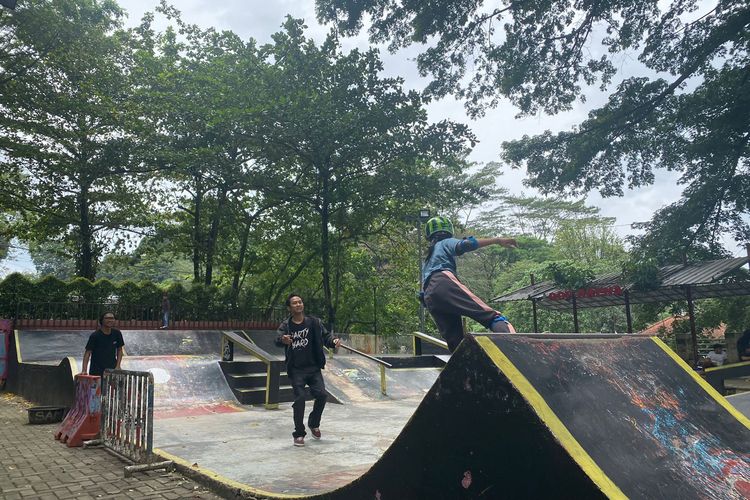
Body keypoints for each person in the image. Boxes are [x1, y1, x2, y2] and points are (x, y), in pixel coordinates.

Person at [421, 216, 517, 353]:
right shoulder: (445, 243)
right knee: (492, 317)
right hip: (443, 282)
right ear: (449, 231)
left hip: (430, 298)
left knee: (457, 343)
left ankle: (466, 371)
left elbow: (423, 293)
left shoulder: (428, 259)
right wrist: (497, 240)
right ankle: (515, 348)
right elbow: (466, 245)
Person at [275, 294, 341, 447]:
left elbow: (326, 337)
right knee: (299, 400)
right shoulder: (286, 326)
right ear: (289, 308)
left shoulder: (314, 322)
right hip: (296, 369)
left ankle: (314, 423)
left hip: (313, 368)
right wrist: (282, 340)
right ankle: (299, 434)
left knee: (322, 395)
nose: (298, 305)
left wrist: (334, 341)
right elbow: (277, 339)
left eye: (300, 302)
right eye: (294, 303)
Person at [81, 312, 124, 377]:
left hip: (112, 369)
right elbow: (87, 353)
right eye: (107, 318)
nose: (110, 320)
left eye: (112, 318)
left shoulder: (117, 333)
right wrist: (84, 370)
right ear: (102, 320)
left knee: (114, 386)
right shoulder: (95, 336)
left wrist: (118, 366)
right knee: (99, 387)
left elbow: (120, 350)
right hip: (96, 370)